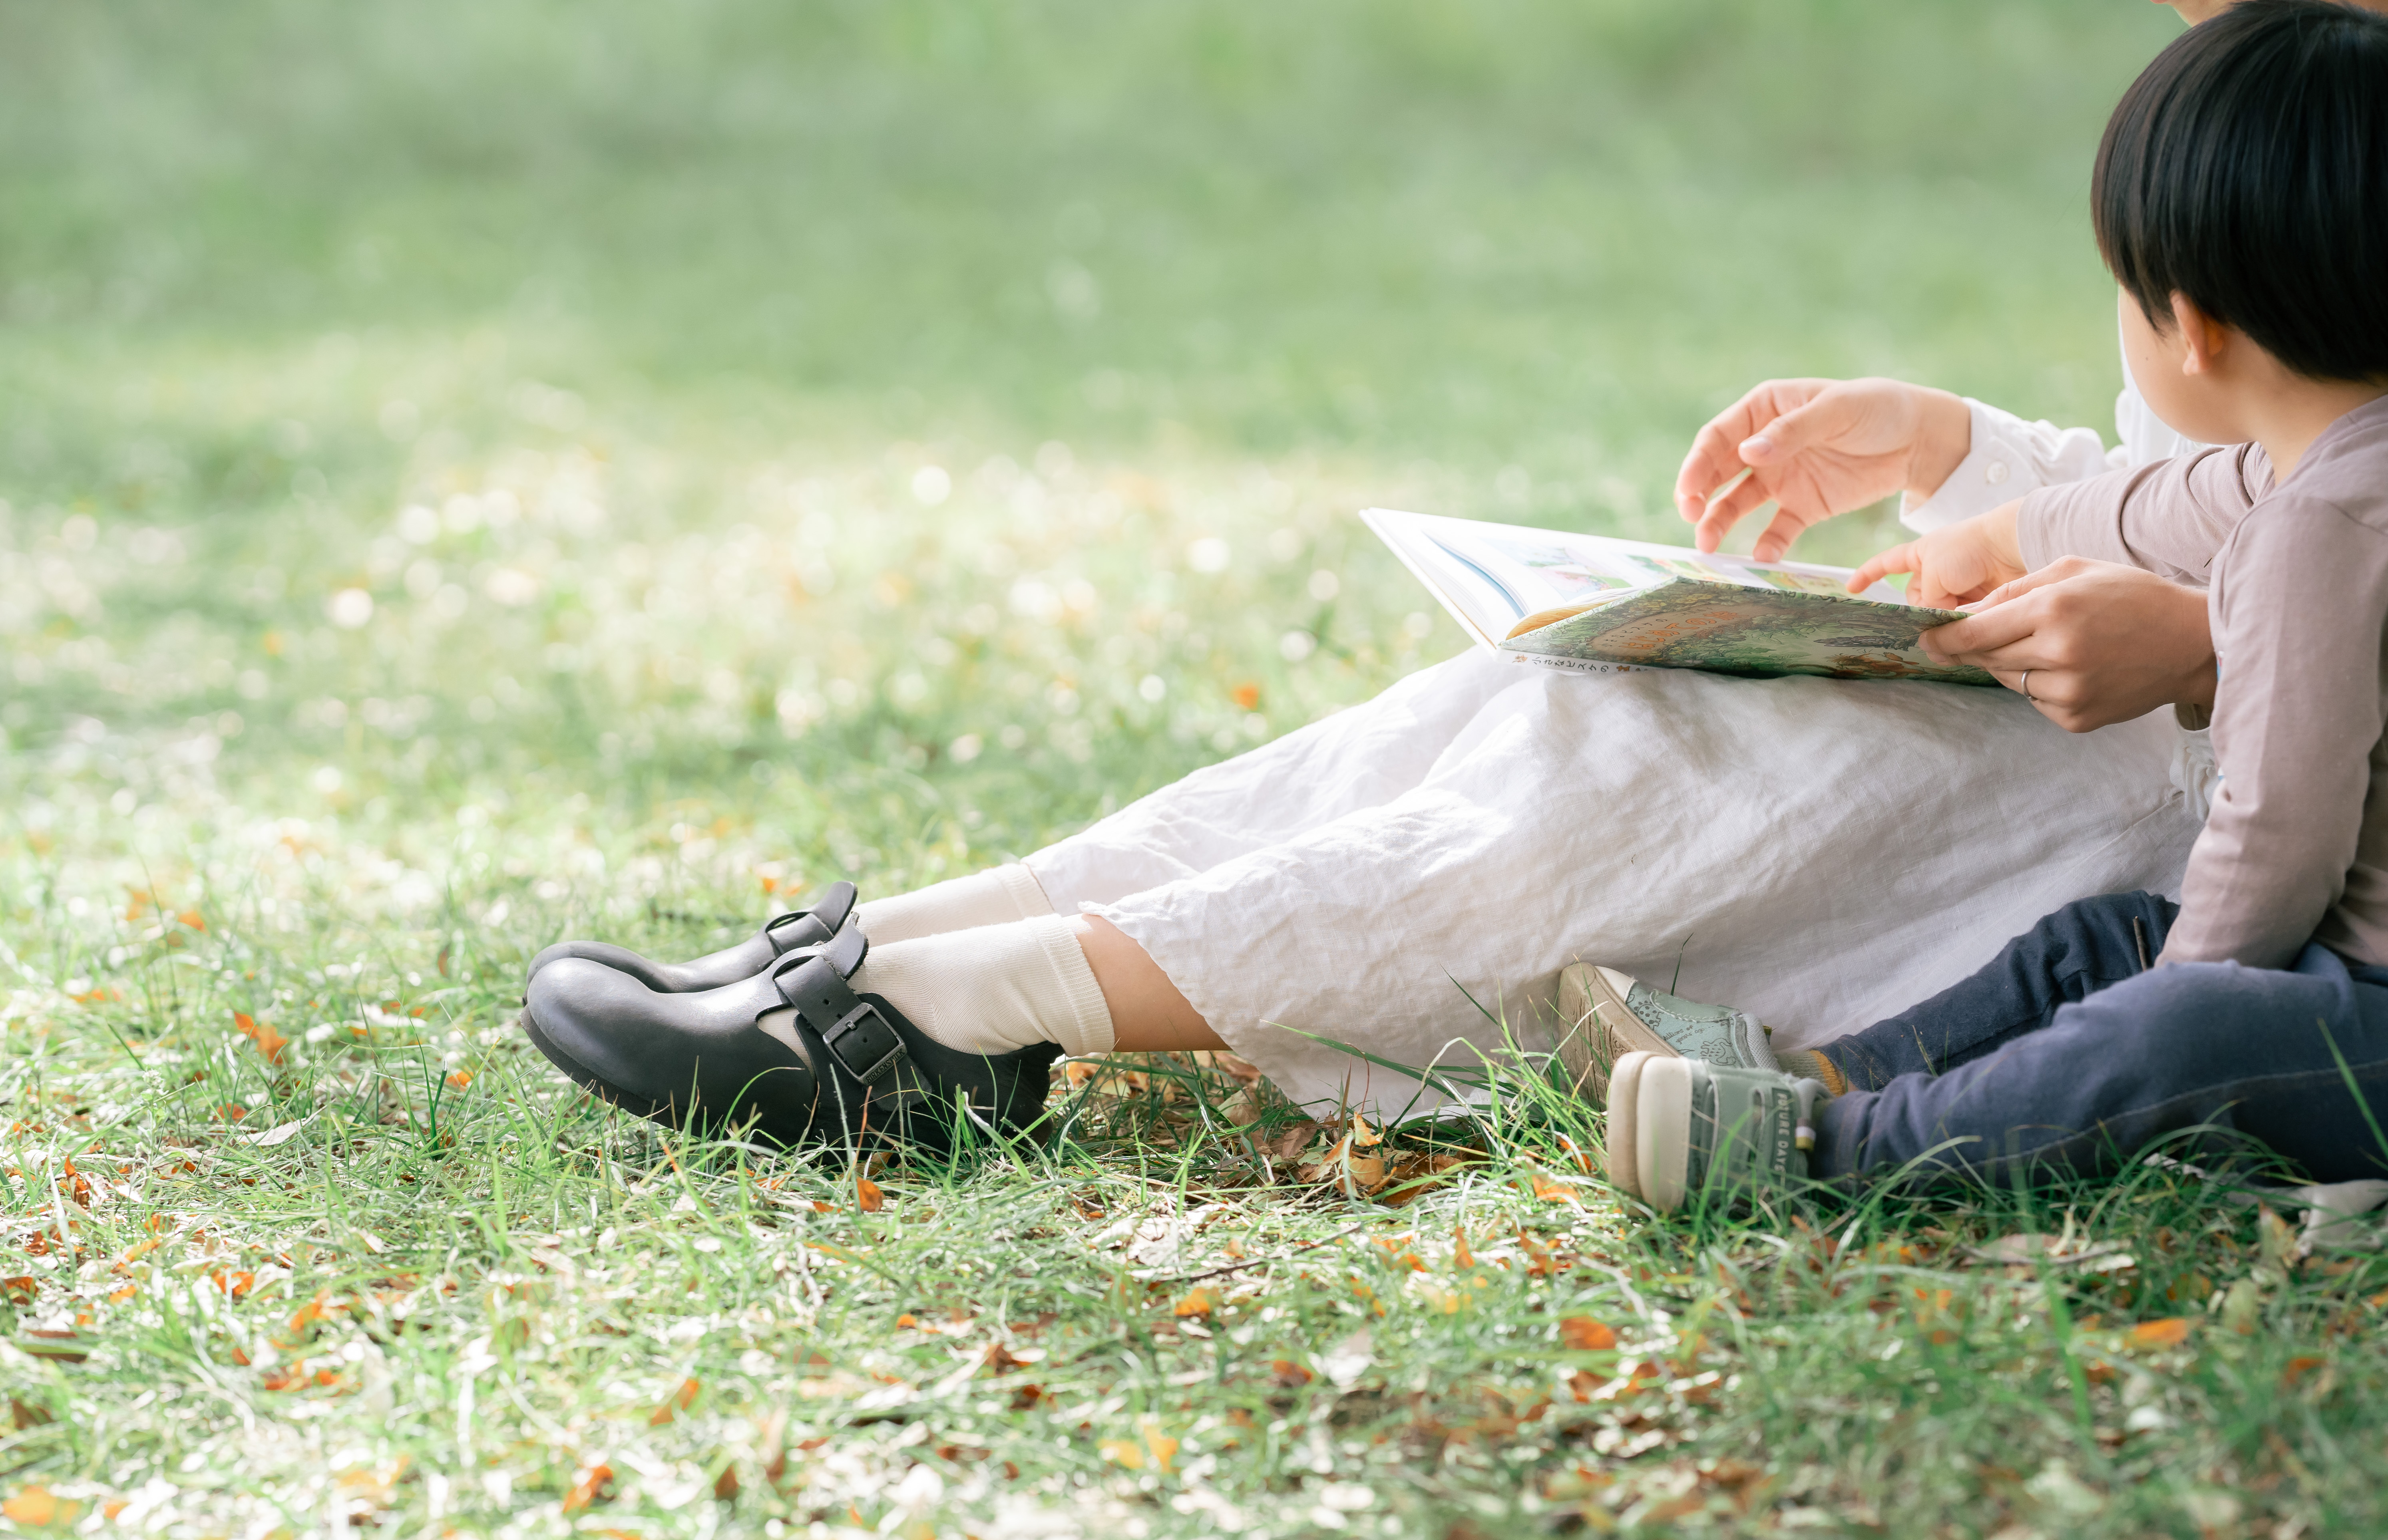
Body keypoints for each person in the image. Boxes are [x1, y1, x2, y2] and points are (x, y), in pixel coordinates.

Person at [512, 8, 2258, 1154]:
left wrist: (2210, 643)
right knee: (1559, 690)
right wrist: (1958, 444)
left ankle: (959, 1018)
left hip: (2205, 811)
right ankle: (920, 949)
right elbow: (2225, 466)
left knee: (1660, 780)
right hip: (2106, 698)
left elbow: (2315, 548)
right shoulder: (2288, 86)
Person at [1594, 0, 2388, 1213]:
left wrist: (2168, 1004)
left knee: (2175, 1029)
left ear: (2193, 328)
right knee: (2098, 941)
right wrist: (2002, 529)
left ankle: (1821, 1159)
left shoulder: (2320, 527)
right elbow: (2162, 505)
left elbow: (2280, 834)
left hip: (2368, 1018)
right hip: (2351, 980)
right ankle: (1811, 1081)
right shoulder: (2324, 463)